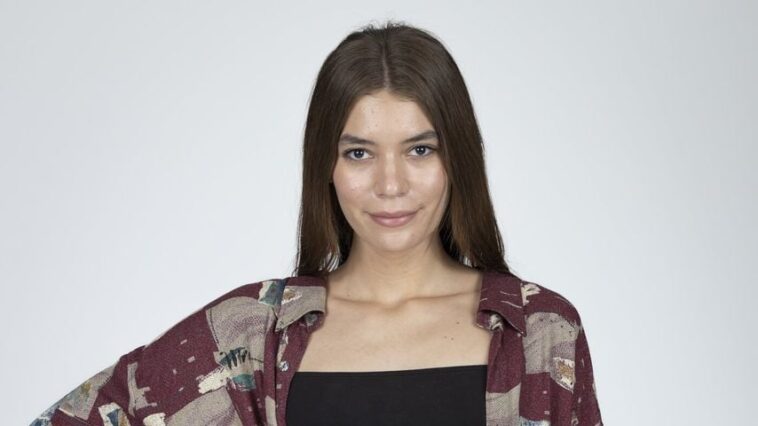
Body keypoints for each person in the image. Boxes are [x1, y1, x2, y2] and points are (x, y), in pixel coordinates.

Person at [31, 20, 603, 426]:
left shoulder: (538, 331)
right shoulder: (253, 334)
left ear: (458, 159)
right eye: (359, 153)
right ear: (325, 166)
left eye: (419, 149)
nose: (390, 184)